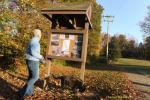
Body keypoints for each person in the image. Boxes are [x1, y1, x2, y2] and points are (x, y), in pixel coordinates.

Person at [18, 29, 45, 97]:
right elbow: (33, 52)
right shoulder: (35, 41)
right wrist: (41, 57)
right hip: (33, 61)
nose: (41, 35)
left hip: (31, 60)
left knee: (31, 77)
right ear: (38, 34)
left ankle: (29, 92)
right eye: (40, 33)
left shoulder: (33, 40)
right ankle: (22, 92)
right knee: (35, 77)